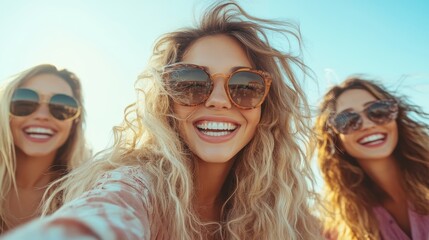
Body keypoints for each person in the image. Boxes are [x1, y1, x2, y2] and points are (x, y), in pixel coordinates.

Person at [2, 2, 322, 239]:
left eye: (246, 86)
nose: (218, 99)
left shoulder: (289, 215)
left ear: (266, 106)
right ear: (167, 99)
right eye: (191, 82)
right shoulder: (136, 184)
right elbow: (100, 215)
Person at [315, 77, 429, 239]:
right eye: (348, 120)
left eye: (378, 111)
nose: (368, 124)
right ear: (334, 138)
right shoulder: (341, 228)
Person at [0, 64, 90, 233]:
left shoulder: (87, 193)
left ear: (74, 123)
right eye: (24, 102)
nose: (42, 115)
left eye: (62, 107)